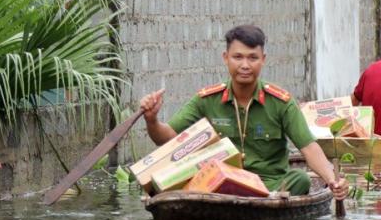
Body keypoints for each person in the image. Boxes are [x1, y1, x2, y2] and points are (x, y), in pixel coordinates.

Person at [138, 25, 348, 199]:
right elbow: (167, 140)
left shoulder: (281, 102)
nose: (245, 65)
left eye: (252, 58)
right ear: (226, 58)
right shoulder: (207, 100)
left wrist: (332, 180)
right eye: (238, 57)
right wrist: (152, 119)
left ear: (263, 59)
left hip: (269, 185)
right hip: (221, 183)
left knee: (300, 180)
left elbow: (309, 149)